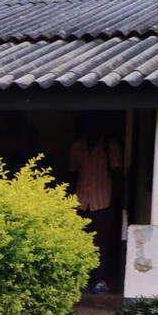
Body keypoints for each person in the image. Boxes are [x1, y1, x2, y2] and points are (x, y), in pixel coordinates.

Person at [69, 114, 123, 293]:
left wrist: (115, 204)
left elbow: (116, 175)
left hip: (102, 201)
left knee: (102, 242)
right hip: (82, 200)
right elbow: (72, 173)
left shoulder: (109, 146)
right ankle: (83, 278)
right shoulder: (77, 146)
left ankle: (102, 280)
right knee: (82, 241)